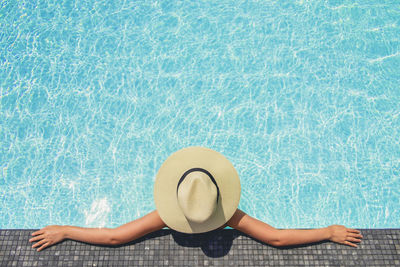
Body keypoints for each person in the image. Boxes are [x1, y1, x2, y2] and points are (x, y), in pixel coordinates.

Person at [30, 147, 363, 252]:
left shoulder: (165, 215)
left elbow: (115, 236)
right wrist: (328, 231)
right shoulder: (229, 216)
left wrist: (66, 230)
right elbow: (276, 238)